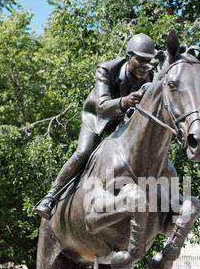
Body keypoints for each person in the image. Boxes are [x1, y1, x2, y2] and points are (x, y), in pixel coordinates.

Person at [35, 33, 157, 220]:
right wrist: (125, 101)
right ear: (128, 57)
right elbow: (102, 107)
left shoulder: (151, 75)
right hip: (99, 118)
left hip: (126, 122)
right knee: (84, 152)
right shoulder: (106, 70)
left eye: (149, 61)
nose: (145, 66)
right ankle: (51, 196)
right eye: (140, 60)